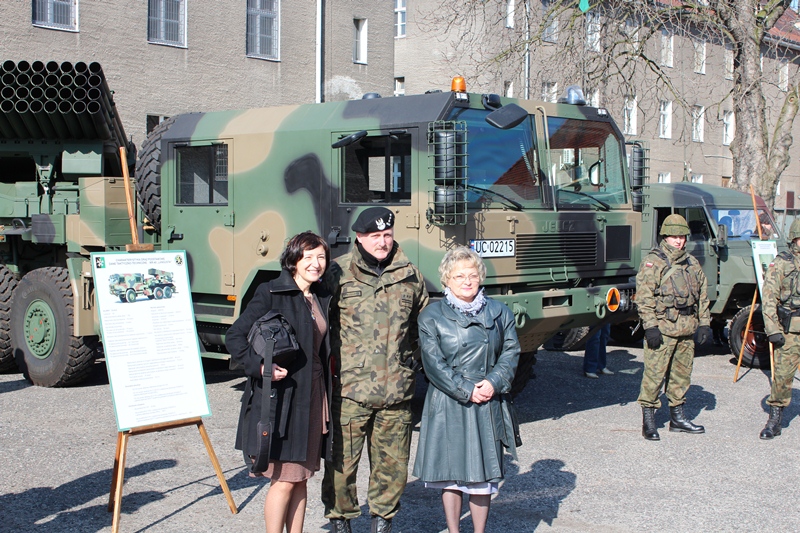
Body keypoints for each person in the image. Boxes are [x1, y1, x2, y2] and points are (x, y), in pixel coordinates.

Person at [322, 207, 429, 533]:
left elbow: (424, 327)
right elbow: (319, 323)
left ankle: (382, 522)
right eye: (375, 236)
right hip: (349, 391)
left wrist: (411, 361)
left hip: (396, 391)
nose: (382, 242)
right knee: (341, 466)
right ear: (359, 237)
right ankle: (340, 522)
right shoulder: (338, 272)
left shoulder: (410, 275)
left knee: (392, 468)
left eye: (387, 235)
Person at [226, 232, 332, 533]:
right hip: (284, 402)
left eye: (321, 257)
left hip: (313, 396)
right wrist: (261, 367)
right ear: (294, 259)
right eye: (308, 257)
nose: (315, 263)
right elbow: (235, 336)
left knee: (301, 478)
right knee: (284, 480)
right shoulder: (272, 292)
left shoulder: (321, 296)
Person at [413, 247, 520, 533]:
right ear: (447, 279)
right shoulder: (431, 316)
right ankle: (453, 530)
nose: (467, 281)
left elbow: (511, 350)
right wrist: (466, 389)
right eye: (459, 276)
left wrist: (494, 382)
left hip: (487, 398)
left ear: (481, 277)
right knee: (451, 473)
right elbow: (433, 364)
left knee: (482, 475)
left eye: (472, 275)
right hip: (449, 400)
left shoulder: (500, 311)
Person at [636, 214, 711, 441]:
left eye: (682, 237)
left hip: (686, 330)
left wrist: (705, 323)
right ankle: (649, 422)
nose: (679, 241)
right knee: (654, 376)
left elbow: (702, 296)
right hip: (663, 329)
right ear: (665, 237)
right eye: (674, 236)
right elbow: (644, 298)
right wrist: (650, 327)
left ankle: (677, 419)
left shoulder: (692, 263)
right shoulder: (654, 262)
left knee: (681, 376)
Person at [758, 219, 800, 439]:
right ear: (794, 238)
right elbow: (769, 298)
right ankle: (774, 420)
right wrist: (772, 329)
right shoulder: (782, 263)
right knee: (783, 376)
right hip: (790, 330)